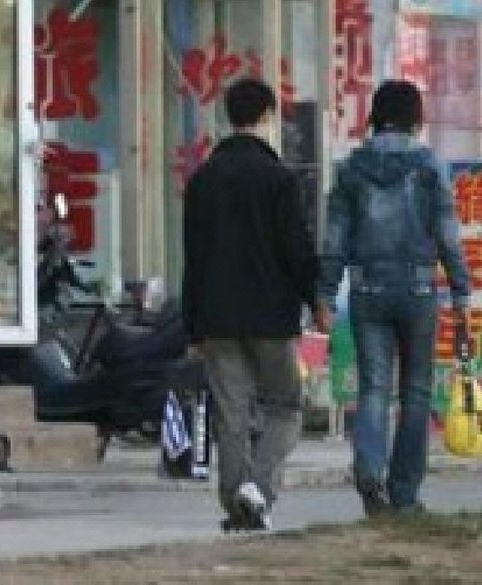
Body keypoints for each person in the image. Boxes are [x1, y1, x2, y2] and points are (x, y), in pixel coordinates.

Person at [315, 80, 470, 516]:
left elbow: (335, 239)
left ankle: (369, 474)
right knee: (417, 393)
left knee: (373, 388)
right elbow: (447, 235)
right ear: (416, 119)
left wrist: (325, 292)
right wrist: (461, 290)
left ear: (375, 116)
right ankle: (404, 493)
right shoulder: (429, 168)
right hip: (420, 290)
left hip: (367, 290)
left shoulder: (350, 170)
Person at [182, 78, 316, 531]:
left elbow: (193, 256)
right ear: (267, 118)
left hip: (216, 316)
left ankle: (236, 502)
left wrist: (191, 326)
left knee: (231, 413)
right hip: (271, 316)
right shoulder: (278, 178)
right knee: (286, 405)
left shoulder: (203, 179)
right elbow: (295, 250)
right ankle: (258, 488)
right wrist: (315, 298)